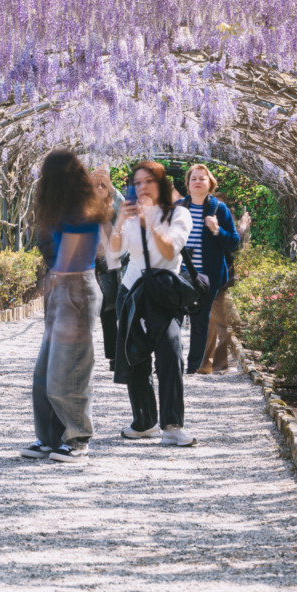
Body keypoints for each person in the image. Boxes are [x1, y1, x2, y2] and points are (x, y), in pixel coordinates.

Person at [21, 150, 111, 463]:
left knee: (69, 369)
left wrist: (54, 277)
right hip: (63, 289)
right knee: (44, 373)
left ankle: (77, 439)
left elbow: (75, 248)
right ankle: (48, 437)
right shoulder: (64, 208)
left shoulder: (82, 208)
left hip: (76, 289)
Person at [110, 161, 197, 446]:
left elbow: (171, 250)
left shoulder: (180, 214)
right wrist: (121, 222)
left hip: (164, 292)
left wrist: (151, 221)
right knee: (135, 356)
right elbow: (112, 254)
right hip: (132, 291)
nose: (142, 187)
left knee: (170, 353)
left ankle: (172, 425)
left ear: (162, 184)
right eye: (137, 182)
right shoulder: (132, 216)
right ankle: (144, 421)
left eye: (148, 181)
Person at [177, 164, 241, 375]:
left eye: (202, 179)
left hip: (207, 276)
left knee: (200, 321)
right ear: (188, 184)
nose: (197, 182)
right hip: (179, 273)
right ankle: (172, 361)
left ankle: (193, 366)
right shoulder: (179, 208)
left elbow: (233, 242)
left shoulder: (218, 209)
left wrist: (216, 230)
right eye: (193, 178)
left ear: (210, 183)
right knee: (173, 319)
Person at [198, 199, 251, 374]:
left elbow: (234, 245)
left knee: (217, 321)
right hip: (214, 276)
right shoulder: (212, 219)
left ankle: (214, 364)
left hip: (220, 278)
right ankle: (210, 363)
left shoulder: (219, 220)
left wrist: (242, 228)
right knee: (214, 320)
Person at [90, 168, 123, 372]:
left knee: (111, 311)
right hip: (88, 264)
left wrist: (111, 188)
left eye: (104, 185)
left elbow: (125, 208)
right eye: (96, 184)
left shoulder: (115, 206)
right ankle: (83, 356)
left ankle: (114, 356)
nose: (100, 188)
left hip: (112, 263)